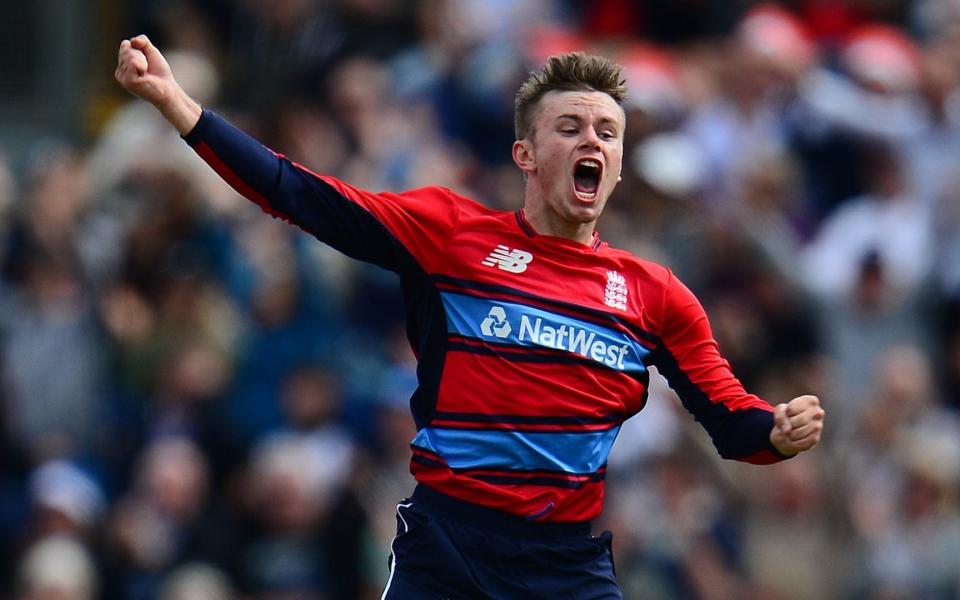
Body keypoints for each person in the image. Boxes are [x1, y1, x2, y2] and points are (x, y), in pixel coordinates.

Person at [115, 35, 825, 599]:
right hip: (448, 553)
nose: (592, 143)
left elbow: (734, 426)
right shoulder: (450, 233)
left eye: (607, 133)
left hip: (566, 567)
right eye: (570, 127)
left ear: (616, 166)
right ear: (525, 152)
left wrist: (778, 431)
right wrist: (179, 104)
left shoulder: (656, 294)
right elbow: (298, 195)